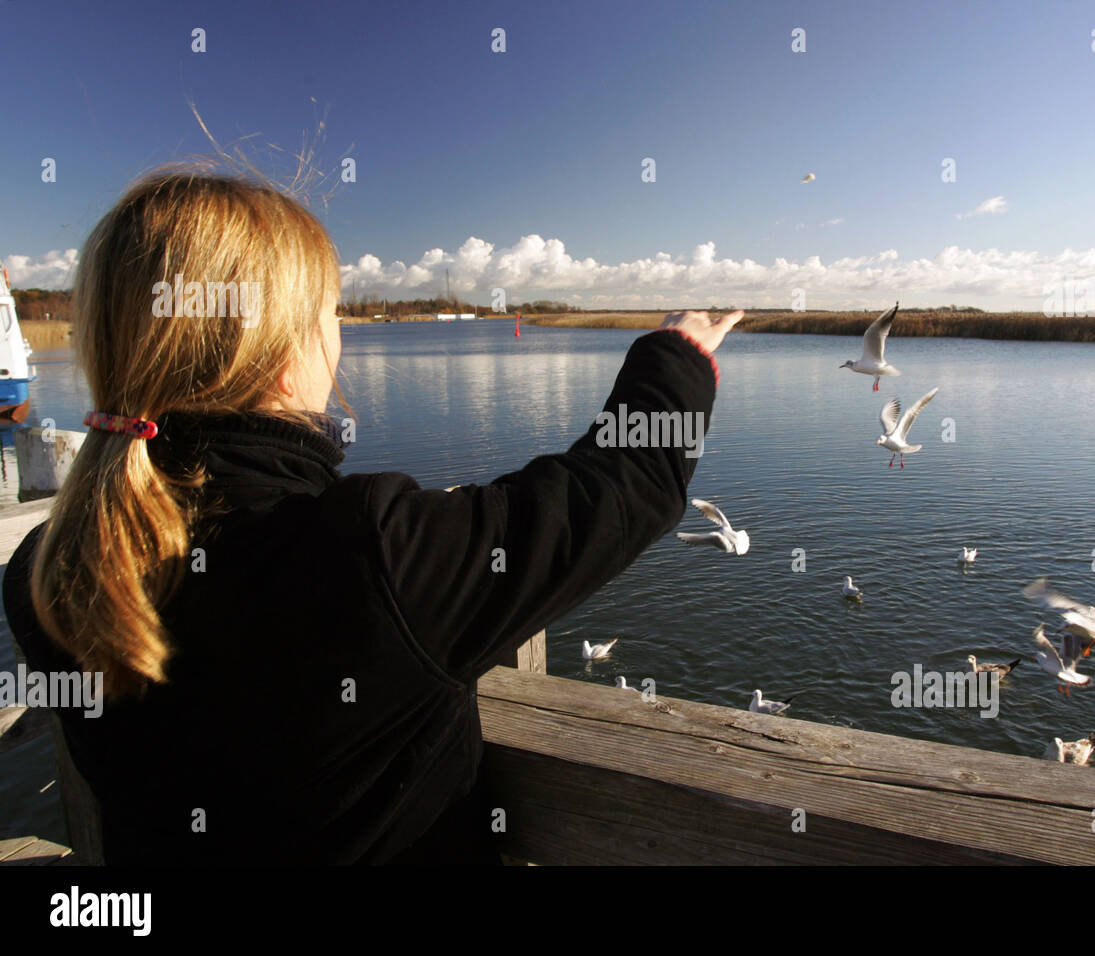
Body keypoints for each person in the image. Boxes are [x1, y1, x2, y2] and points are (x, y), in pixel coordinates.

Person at [2, 167, 743, 864]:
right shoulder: (372, 553)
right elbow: (619, 490)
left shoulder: (50, 565)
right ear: (280, 356)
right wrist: (675, 356)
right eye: (327, 315)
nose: (340, 337)